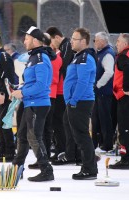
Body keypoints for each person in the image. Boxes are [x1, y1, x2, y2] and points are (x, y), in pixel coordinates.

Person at [11, 26, 54, 182]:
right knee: (22, 136)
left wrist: (22, 93)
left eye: (27, 38)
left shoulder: (41, 58)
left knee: (34, 137)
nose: (24, 41)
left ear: (35, 40)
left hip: (38, 103)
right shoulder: (34, 57)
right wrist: (19, 89)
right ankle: (17, 169)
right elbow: (32, 82)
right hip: (30, 102)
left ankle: (46, 170)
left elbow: (42, 85)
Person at [63, 28, 98, 180]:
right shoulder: (78, 57)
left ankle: (89, 169)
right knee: (79, 136)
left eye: (74, 39)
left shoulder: (85, 58)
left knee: (82, 136)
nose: (71, 41)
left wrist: (73, 100)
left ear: (83, 41)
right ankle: (87, 167)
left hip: (81, 101)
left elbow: (82, 82)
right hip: (76, 101)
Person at [28, 33, 62, 169]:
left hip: (46, 95)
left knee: (44, 130)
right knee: (43, 129)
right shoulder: (45, 56)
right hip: (47, 94)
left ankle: (44, 157)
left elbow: (49, 79)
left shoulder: (45, 57)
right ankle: (43, 156)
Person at [46, 27, 79, 163]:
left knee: (60, 122)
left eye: (51, 41)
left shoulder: (65, 46)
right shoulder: (61, 49)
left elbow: (63, 67)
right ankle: (62, 149)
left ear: (57, 37)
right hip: (61, 90)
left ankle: (65, 150)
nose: (51, 44)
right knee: (59, 122)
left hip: (62, 91)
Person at [0, 34, 16, 162]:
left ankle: (10, 152)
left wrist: (2, 93)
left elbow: (8, 76)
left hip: (4, 95)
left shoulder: (4, 56)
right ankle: (2, 150)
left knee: (5, 124)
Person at [92, 32, 115, 152]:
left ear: (102, 41)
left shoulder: (107, 54)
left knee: (105, 119)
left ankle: (107, 145)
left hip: (104, 92)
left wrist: (98, 84)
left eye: (95, 40)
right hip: (99, 92)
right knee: (97, 118)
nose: (94, 42)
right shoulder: (100, 53)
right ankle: (97, 143)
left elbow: (109, 72)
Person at [109, 33, 129, 169]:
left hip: (124, 97)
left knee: (124, 128)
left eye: (118, 41)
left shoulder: (123, 56)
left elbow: (127, 69)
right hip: (122, 96)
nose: (116, 43)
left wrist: (126, 88)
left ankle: (125, 159)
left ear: (125, 44)